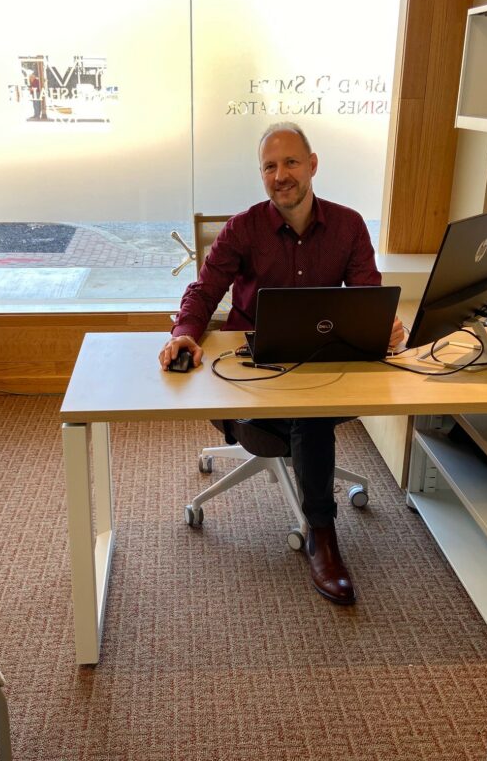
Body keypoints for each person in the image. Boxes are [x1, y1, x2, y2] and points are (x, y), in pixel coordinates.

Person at [158, 122, 405, 605]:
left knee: (310, 407)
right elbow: (205, 290)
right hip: (250, 374)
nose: (281, 175)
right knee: (309, 415)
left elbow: (368, 298)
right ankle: (323, 535)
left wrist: (384, 326)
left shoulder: (349, 226)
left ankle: (320, 532)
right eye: (270, 166)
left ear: (312, 165)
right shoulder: (244, 227)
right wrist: (184, 333)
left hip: (322, 367)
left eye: (291, 162)